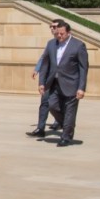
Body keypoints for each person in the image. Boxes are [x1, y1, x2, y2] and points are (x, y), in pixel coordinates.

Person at [37, 19, 89, 148]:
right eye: (57, 34)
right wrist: (42, 82)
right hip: (54, 83)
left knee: (70, 111)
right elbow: (45, 64)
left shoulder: (78, 45)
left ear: (69, 32)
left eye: (62, 34)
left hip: (72, 83)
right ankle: (68, 124)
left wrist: (81, 88)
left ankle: (66, 136)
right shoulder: (50, 44)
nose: (59, 36)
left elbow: (83, 68)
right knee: (52, 105)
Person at [26, 23, 62, 137]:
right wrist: (37, 69)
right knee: (44, 103)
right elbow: (44, 58)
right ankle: (40, 128)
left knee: (58, 104)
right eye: (51, 27)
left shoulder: (70, 44)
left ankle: (60, 122)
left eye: (55, 26)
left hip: (62, 80)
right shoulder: (51, 43)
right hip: (49, 79)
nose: (52, 29)